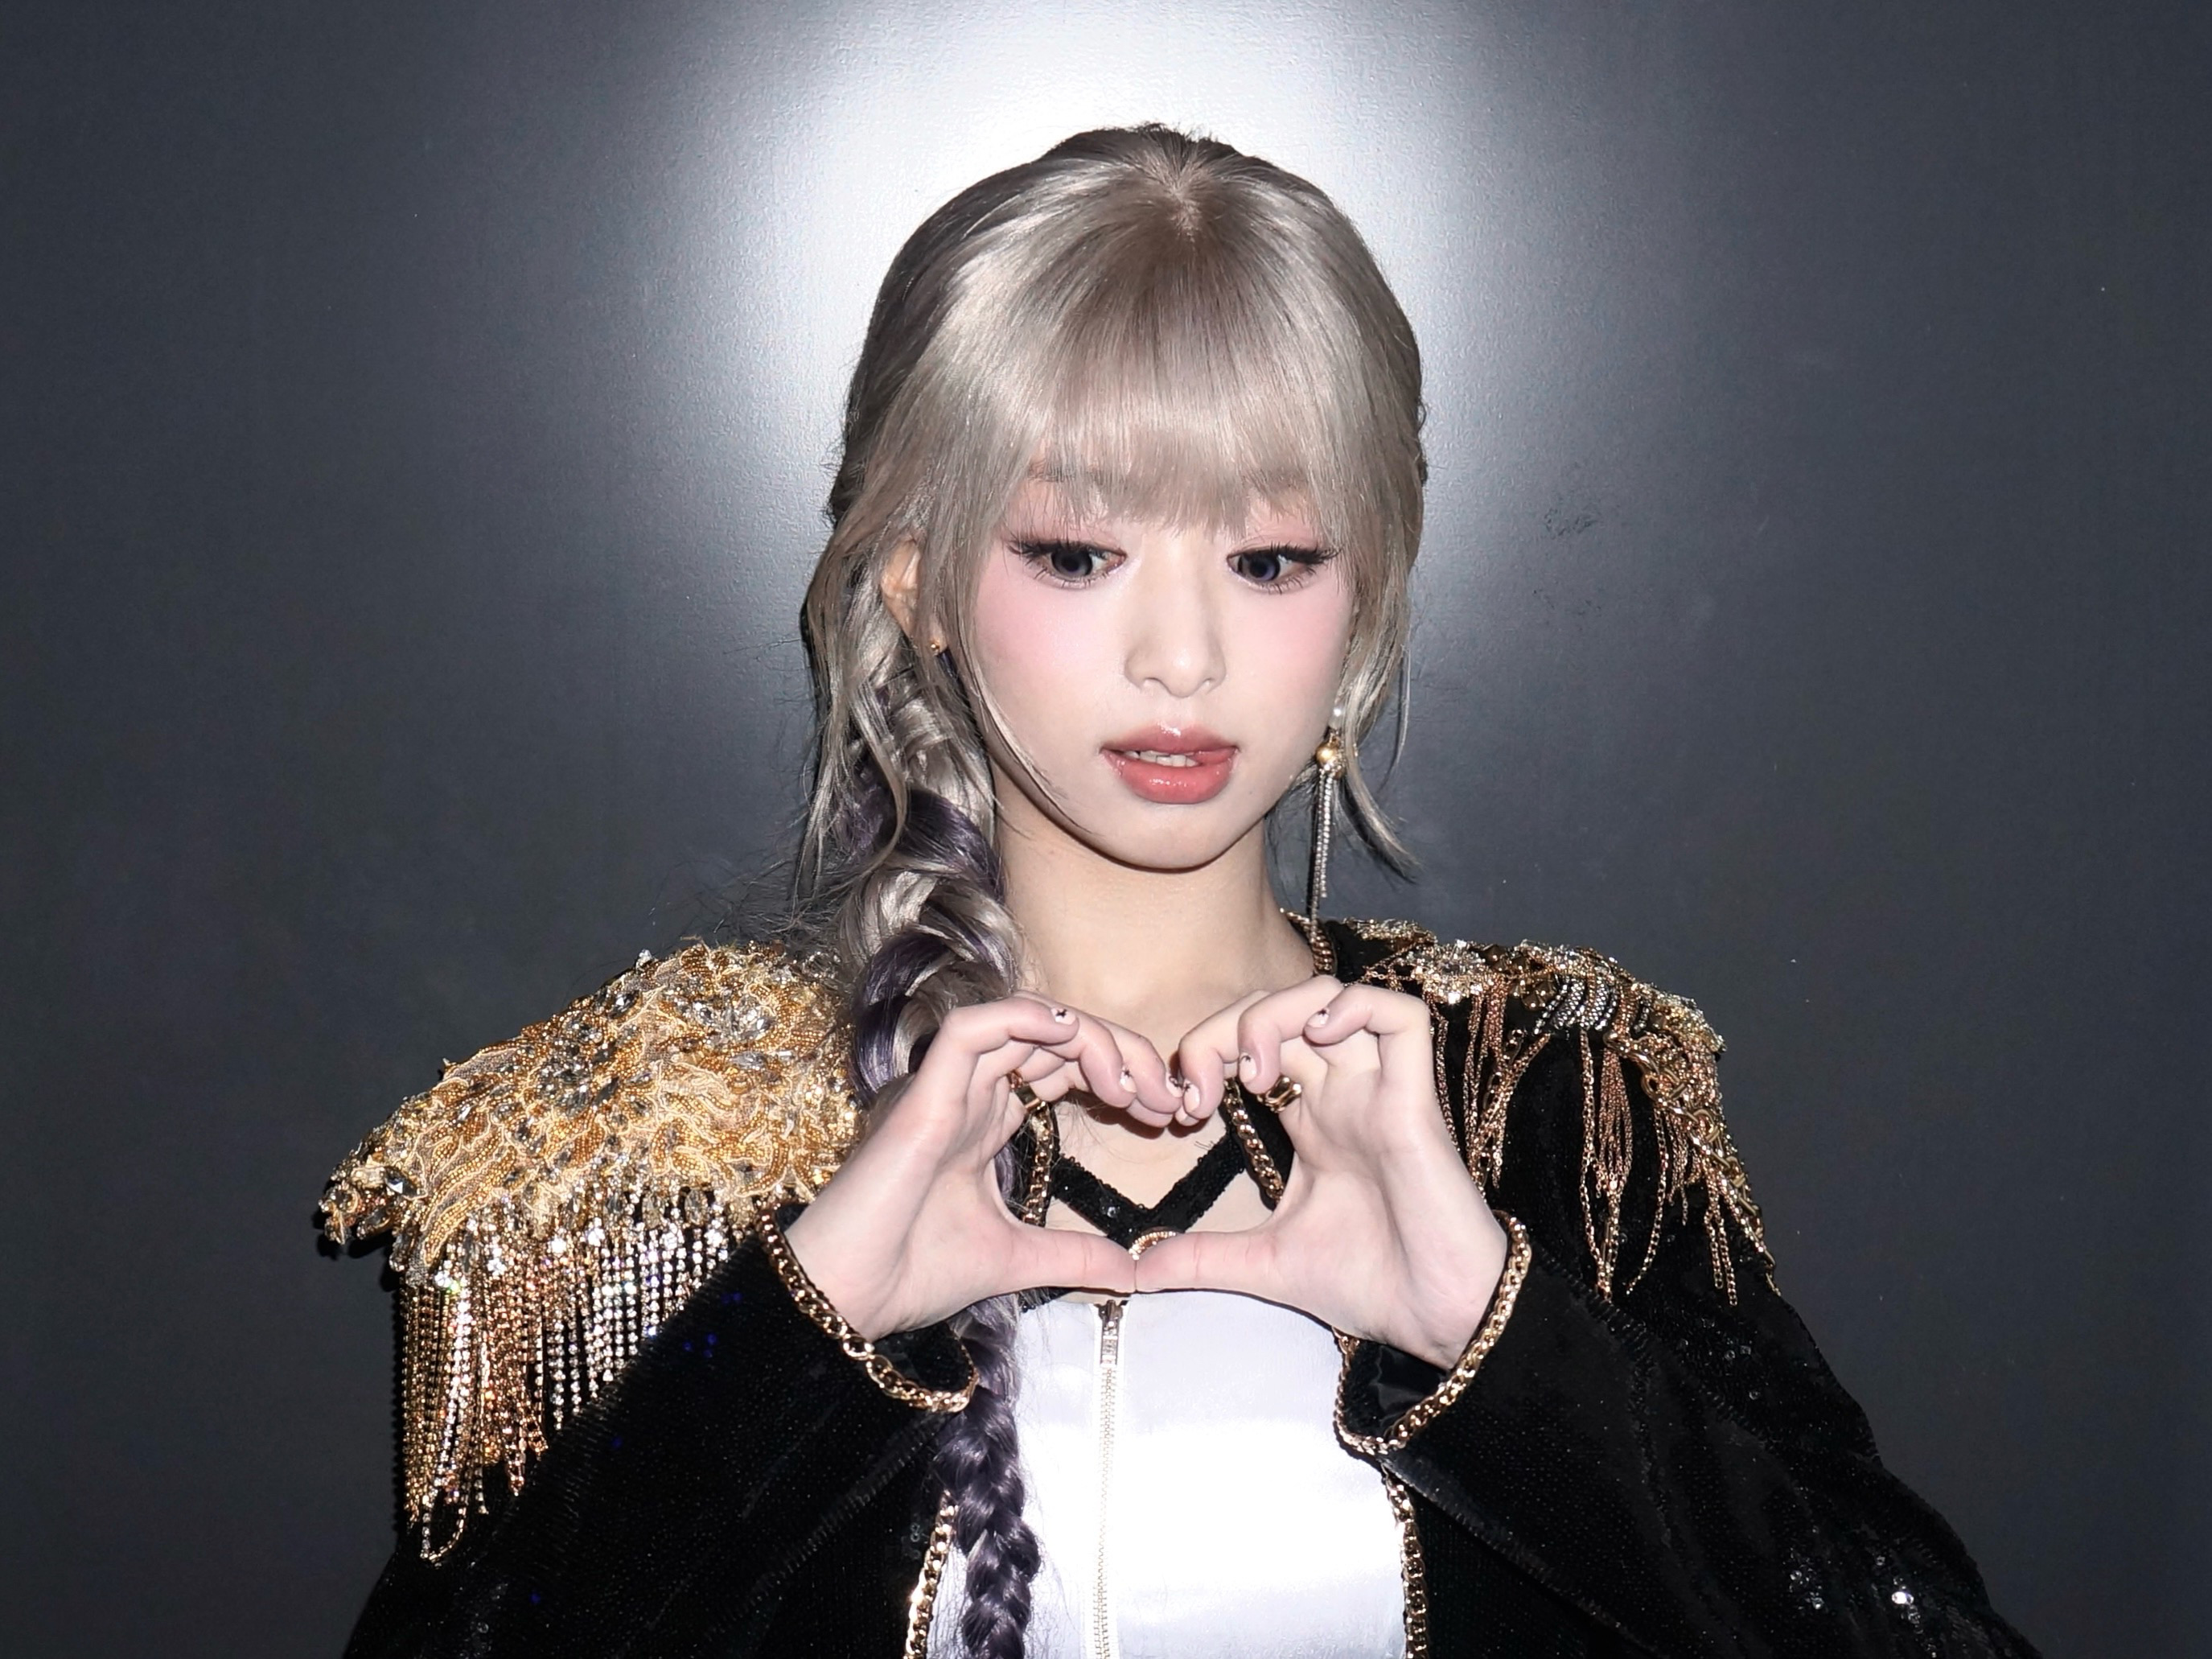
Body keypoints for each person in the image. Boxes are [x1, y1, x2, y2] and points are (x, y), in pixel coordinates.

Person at [322, 126, 2038, 1658]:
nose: (1182, 655)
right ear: (916, 577)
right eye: (1075, 552)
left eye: (1269, 557)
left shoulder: (1552, 1102)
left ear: (1366, 593)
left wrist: (1493, 1339)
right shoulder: (651, 1127)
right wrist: (800, 1328)